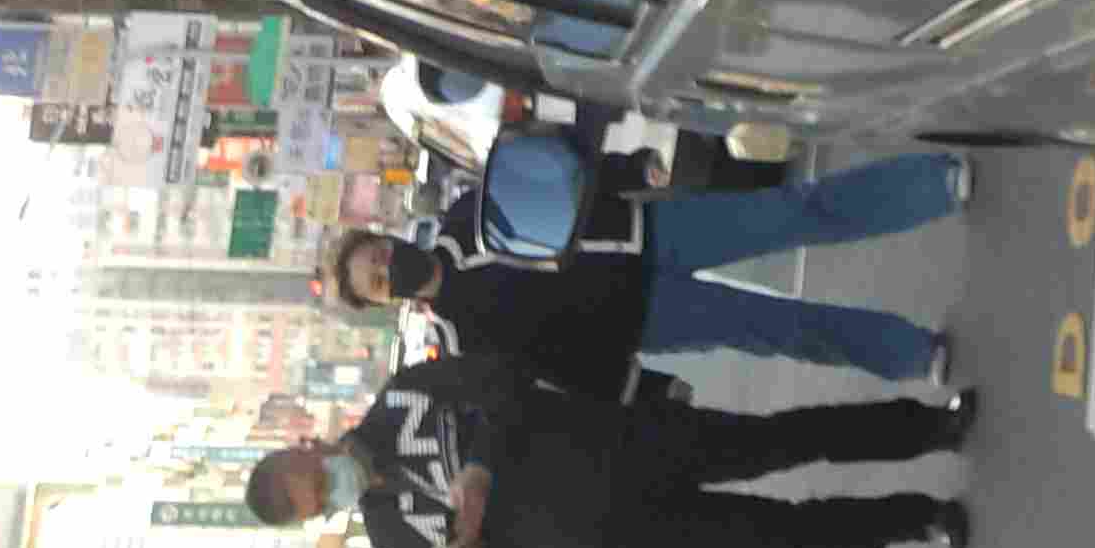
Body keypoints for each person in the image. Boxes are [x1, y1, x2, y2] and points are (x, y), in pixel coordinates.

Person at [249, 349, 973, 548]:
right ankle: (920, 520)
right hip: (616, 537)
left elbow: (504, 380)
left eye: (318, 480)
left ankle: (931, 428)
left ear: (308, 448)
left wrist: (480, 468)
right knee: (775, 535)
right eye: (324, 504)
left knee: (782, 442)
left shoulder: (403, 395)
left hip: (626, 444)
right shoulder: (388, 530)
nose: (334, 491)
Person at [337, 145, 967, 391]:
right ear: (384, 302)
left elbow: (561, 185)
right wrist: (643, 389)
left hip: (649, 233)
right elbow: (550, 366)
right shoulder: (459, 341)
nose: (388, 267)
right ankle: (911, 353)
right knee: (783, 328)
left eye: (379, 254)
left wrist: (631, 169)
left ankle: (929, 186)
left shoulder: (463, 217)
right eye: (377, 281)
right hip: (646, 319)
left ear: (387, 238)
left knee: (791, 212)